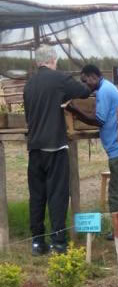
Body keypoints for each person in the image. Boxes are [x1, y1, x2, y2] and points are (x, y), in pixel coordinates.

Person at [23, 45, 90, 255]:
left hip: (34, 148)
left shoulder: (29, 84)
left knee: (37, 196)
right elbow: (84, 91)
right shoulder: (59, 78)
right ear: (52, 60)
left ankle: (37, 242)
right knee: (57, 194)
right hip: (55, 146)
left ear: (37, 62)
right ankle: (59, 242)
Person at [67, 64, 118, 238]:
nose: (86, 85)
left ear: (93, 76)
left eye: (86, 81)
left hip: (117, 150)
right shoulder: (106, 88)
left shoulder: (104, 91)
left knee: (116, 193)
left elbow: (99, 120)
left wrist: (75, 109)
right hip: (117, 148)